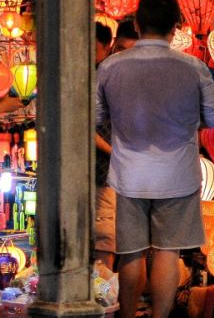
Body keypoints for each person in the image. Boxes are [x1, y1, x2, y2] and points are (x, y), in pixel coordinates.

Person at [96, 0, 214, 318]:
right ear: (176, 28)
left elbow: (95, 116)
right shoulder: (193, 68)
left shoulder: (112, 66)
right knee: (167, 251)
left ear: (138, 25)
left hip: (129, 173)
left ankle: (126, 315)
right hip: (177, 175)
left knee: (130, 253)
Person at [93, 22, 116, 271]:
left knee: (103, 239)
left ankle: (102, 302)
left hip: (105, 174)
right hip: (101, 172)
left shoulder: (105, 76)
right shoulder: (97, 76)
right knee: (102, 237)